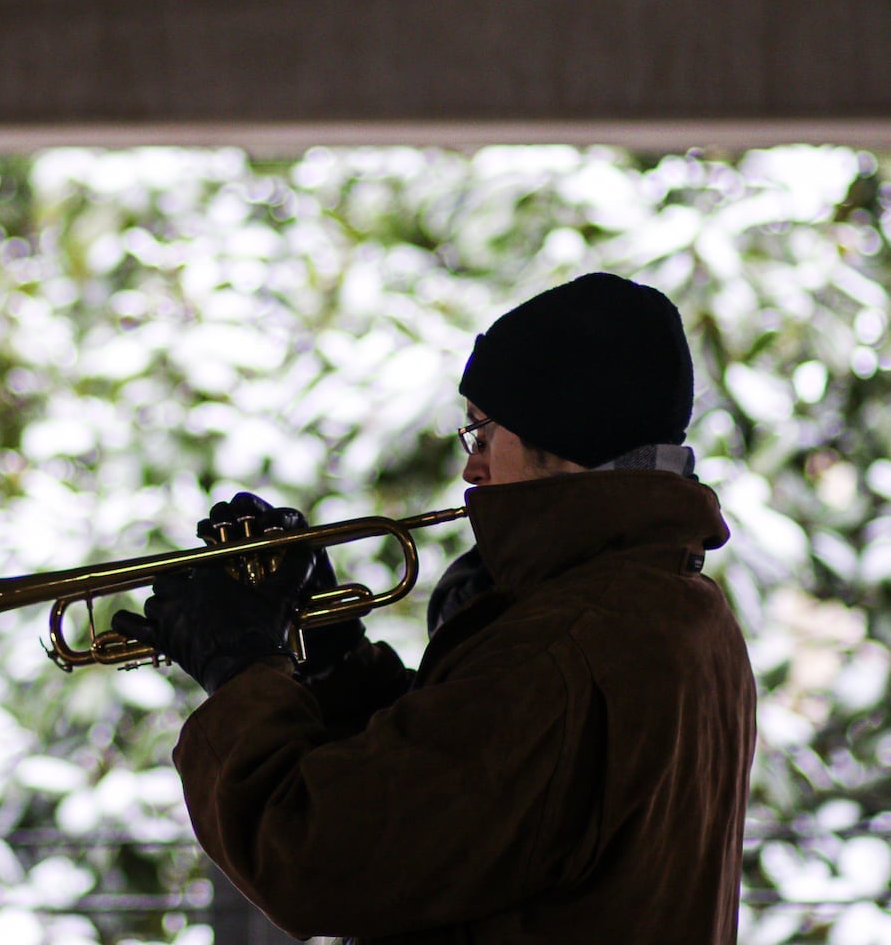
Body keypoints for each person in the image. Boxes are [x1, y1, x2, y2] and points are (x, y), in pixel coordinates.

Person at [112, 273, 757, 944]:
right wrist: (336, 655)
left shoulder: (560, 648)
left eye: (483, 434)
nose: (471, 470)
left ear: (562, 439)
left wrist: (238, 669)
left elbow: (316, 856)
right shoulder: (678, 607)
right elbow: (468, 806)